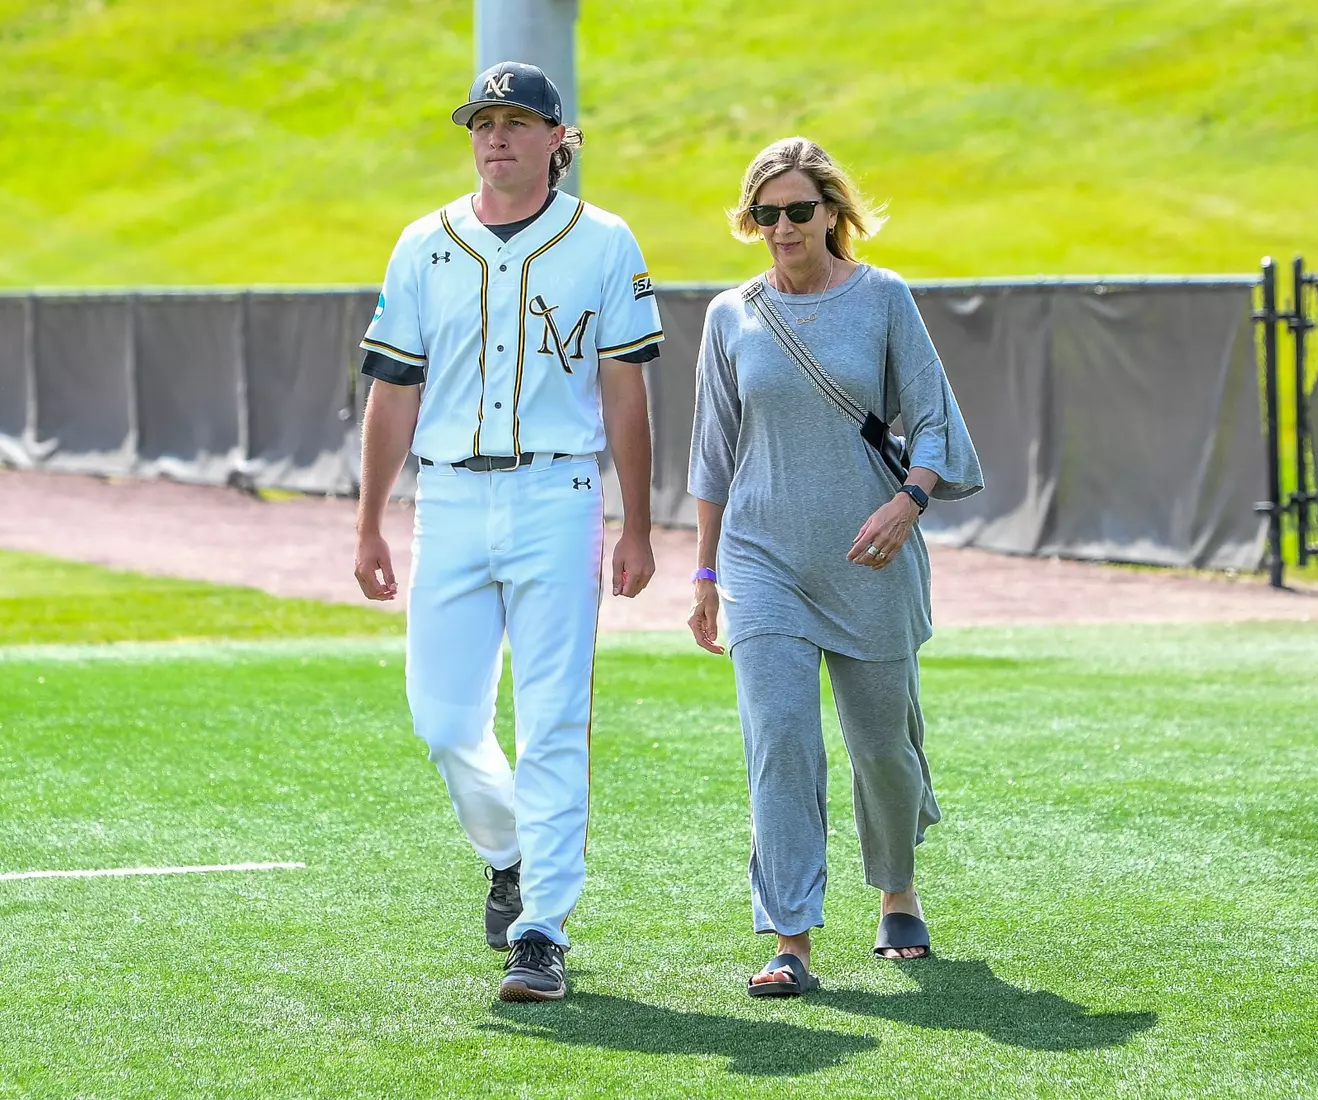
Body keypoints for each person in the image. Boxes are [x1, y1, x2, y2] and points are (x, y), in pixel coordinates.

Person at [353, 61, 663, 1003]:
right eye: (483, 121)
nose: (496, 137)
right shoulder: (424, 240)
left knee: (554, 718)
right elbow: (392, 388)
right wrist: (367, 519)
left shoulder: (603, 241)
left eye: (517, 122)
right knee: (443, 720)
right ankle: (508, 850)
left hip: (557, 495)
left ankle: (542, 930)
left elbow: (625, 389)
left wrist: (639, 525)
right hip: (445, 500)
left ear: (556, 139)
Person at [687, 136, 983, 997]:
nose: (781, 227)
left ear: (832, 214)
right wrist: (704, 576)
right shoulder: (728, 315)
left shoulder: (883, 298)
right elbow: (712, 454)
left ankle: (897, 890)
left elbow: (931, 421)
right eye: (764, 214)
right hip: (761, 557)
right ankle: (791, 939)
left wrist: (909, 501)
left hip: (870, 553)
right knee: (779, 741)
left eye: (798, 211)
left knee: (881, 746)